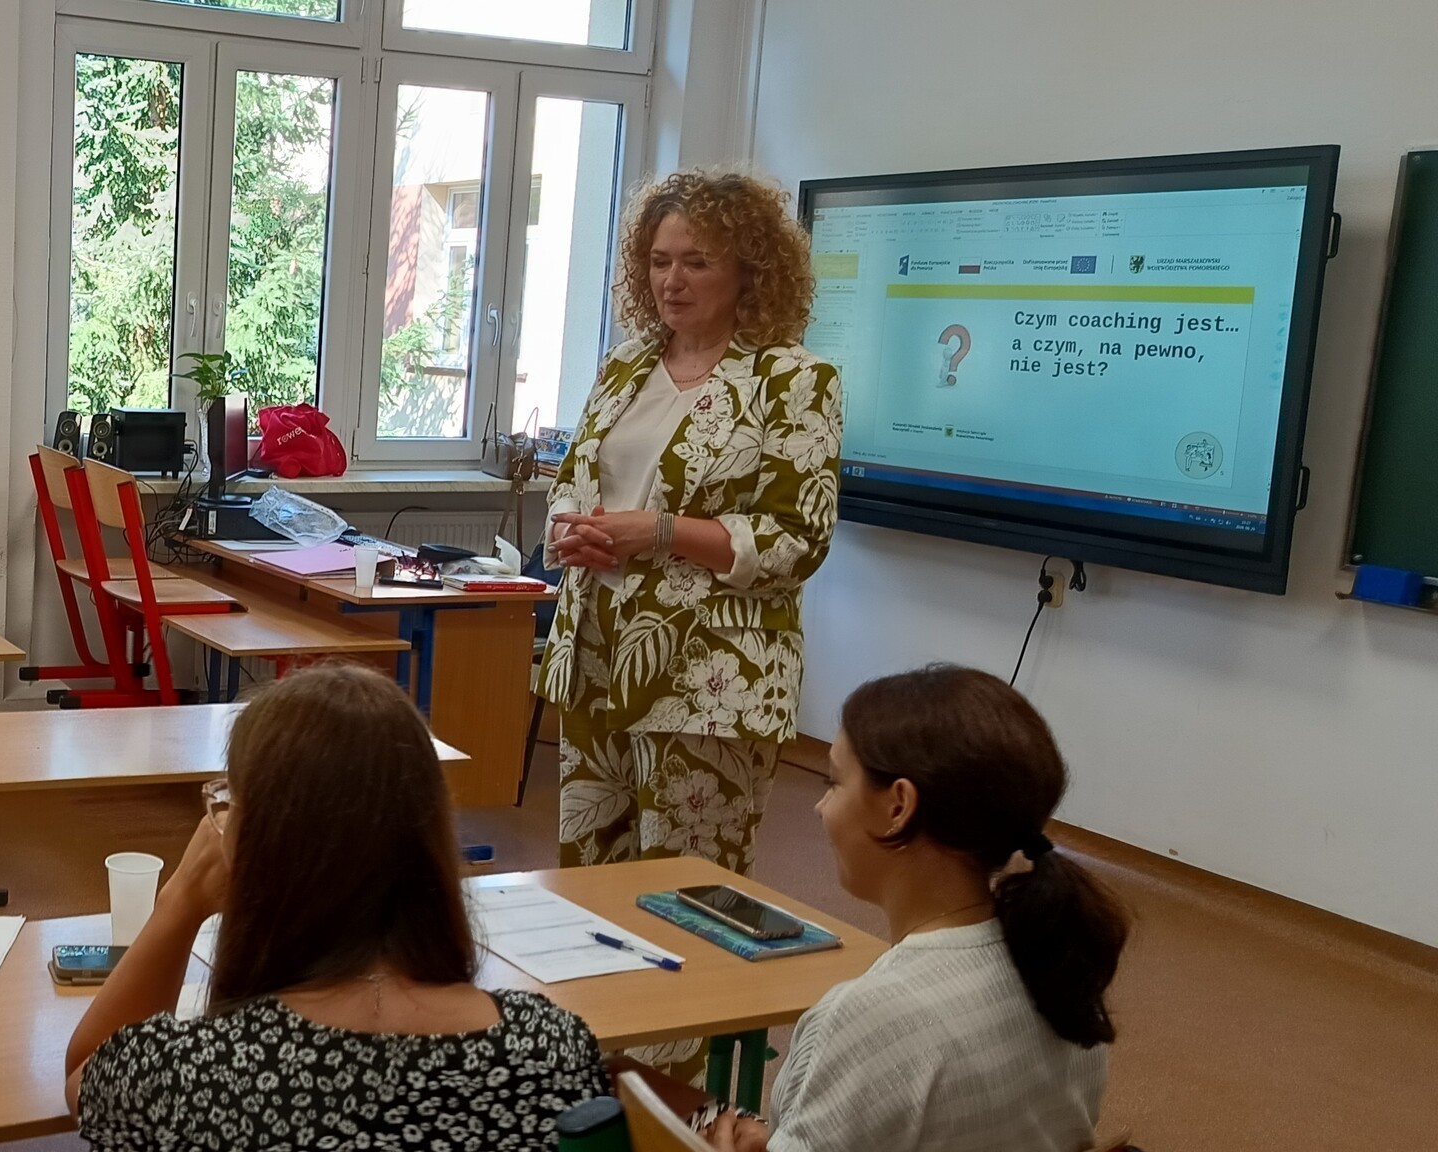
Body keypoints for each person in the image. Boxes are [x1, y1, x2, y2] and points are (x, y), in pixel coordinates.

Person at [65, 664, 612, 1149]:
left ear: (251, 847)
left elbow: (84, 1075)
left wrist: (182, 897)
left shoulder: (176, 1078)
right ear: (431, 841)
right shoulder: (554, 1050)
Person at [536, 167, 844, 877]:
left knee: (684, 885)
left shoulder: (794, 380)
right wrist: (569, 528)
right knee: (589, 872)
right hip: (595, 652)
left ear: (749, 272)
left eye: (697, 262)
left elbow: (797, 541)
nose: (671, 281)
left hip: (710, 674)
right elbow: (575, 481)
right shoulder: (623, 367)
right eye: (659, 261)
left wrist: (660, 530)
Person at [706, 665, 1130, 1152]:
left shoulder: (863, 1020)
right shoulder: (1061, 975)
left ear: (898, 807)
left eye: (834, 782)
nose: (820, 807)